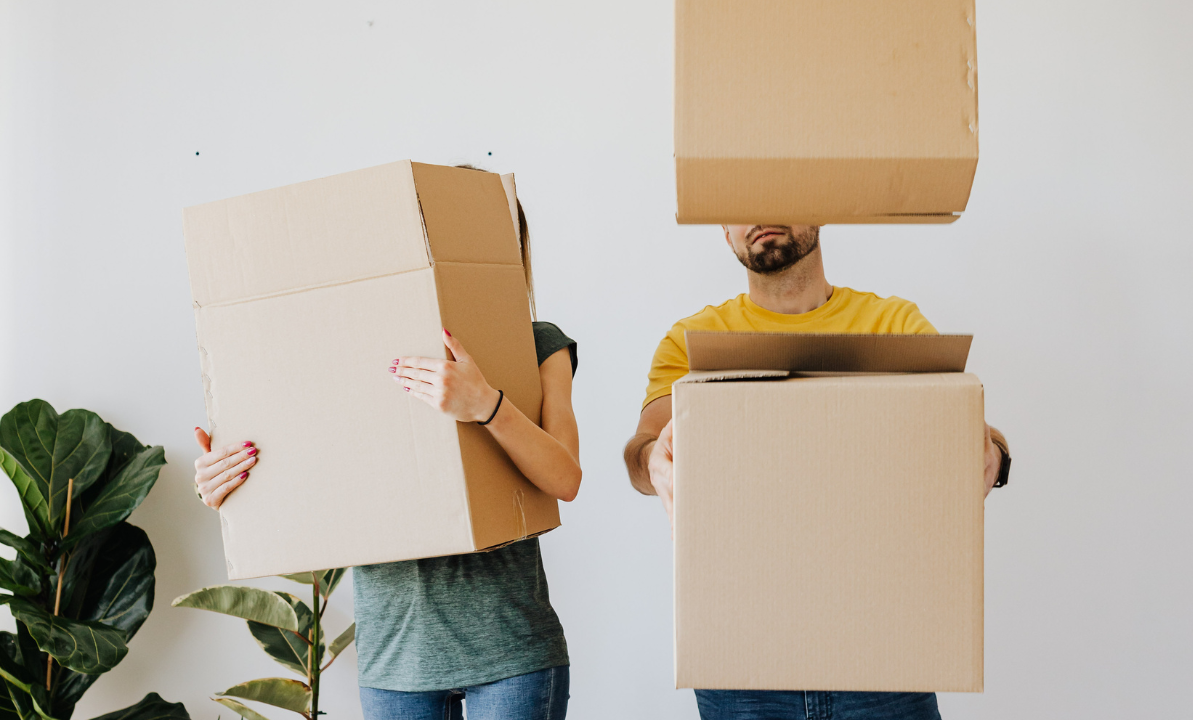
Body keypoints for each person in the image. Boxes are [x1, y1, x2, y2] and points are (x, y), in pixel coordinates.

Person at [192, 179, 580, 720]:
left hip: (511, 651)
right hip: (395, 662)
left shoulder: (539, 343)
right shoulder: (347, 346)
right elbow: (308, 461)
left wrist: (485, 403)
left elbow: (565, 478)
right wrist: (229, 482)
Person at [624, 224, 1010, 720]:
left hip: (885, 655)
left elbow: (967, 427)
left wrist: (993, 452)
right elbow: (643, 449)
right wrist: (653, 459)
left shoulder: (891, 325)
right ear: (725, 233)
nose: (760, 211)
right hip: (743, 661)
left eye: (780, 187)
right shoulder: (694, 342)